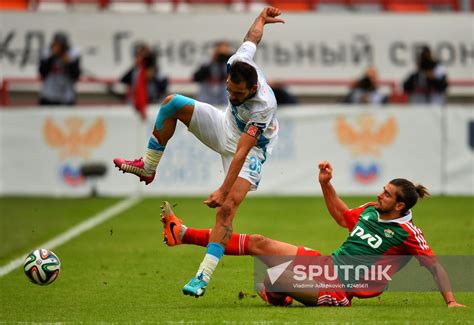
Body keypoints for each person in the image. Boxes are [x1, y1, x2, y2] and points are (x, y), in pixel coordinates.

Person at [113, 7, 285, 297]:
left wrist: (223, 188)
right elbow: (252, 38)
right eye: (229, 89)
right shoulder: (238, 62)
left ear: (253, 87)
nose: (231, 95)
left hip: (251, 150)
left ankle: (202, 277)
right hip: (224, 125)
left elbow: (242, 151)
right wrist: (261, 19)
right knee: (171, 103)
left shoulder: (263, 106)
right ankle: (148, 166)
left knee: (227, 209)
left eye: (238, 94)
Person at [159, 160, 465, 308]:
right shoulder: (372, 210)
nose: (379, 194)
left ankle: (309, 295)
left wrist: (450, 302)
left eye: (386, 194)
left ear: (400, 205)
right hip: (325, 264)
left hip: (341, 284)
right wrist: (325, 183)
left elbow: (436, 266)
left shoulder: (409, 233)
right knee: (258, 242)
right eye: (382, 189)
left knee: (272, 281)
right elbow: (342, 216)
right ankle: (182, 233)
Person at [119, 43, 169, 120]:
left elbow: (164, 85)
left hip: (153, 105)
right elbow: (123, 80)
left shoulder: (157, 74)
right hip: (138, 105)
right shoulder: (136, 72)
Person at [38, 32, 81, 106]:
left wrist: (69, 63)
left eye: (61, 45)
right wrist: (52, 57)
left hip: (67, 96)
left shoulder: (72, 54)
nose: (59, 48)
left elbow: (75, 76)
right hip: (48, 95)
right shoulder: (47, 53)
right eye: (57, 44)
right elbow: (42, 73)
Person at [192, 41, 233, 106]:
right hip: (206, 101)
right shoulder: (206, 64)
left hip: (224, 102)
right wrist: (213, 60)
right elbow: (195, 78)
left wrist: (229, 59)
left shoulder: (231, 65)